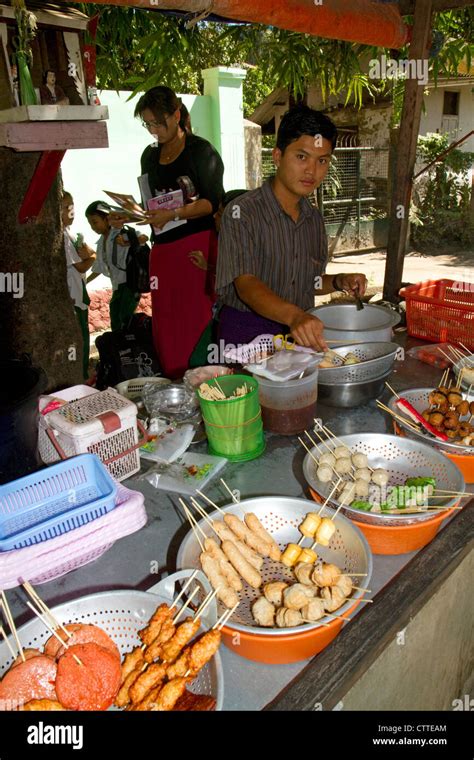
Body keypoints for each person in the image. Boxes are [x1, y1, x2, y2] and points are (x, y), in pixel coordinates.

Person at [216, 105, 367, 352]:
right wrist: (295, 317)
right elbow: (246, 285)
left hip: (298, 336)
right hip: (247, 335)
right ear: (277, 156)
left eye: (322, 161)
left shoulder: (313, 219)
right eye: (301, 157)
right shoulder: (242, 212)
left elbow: (309, 282)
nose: (312, 170)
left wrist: (340, 282)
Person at [129, 86, 225, 378]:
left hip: (195, 246)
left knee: (195, 317)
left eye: (159, 122)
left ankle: (204, 379)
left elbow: (213, 202)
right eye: (148, 124)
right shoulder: (149, 156)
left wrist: (175, 212)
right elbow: (150, 200)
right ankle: (173, 380)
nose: (154, 130)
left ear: (177, 115)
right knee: (167, 320)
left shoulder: (200, 151)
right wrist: (135, 212)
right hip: (164, 249)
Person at [85, 201, 141, 332]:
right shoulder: (100, 243)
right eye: (90, 223)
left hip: (129, 284)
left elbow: (141, 237)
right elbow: (99, 267)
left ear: (107, 219)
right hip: (117, 287)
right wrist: (85, 282)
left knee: (125, 321)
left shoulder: (119, 234)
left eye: (95, 222)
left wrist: (127, 241)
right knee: (116, 321)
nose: (93, 227)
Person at [62, 191, 95, 379]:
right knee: (80, 340)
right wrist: (93, 257)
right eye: (66, 207)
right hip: (74, 296)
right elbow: (83, 264)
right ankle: (81, 376)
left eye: (72, 205)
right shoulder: (64, 238)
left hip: (78, 294)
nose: (71, 211)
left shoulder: (69, 235)